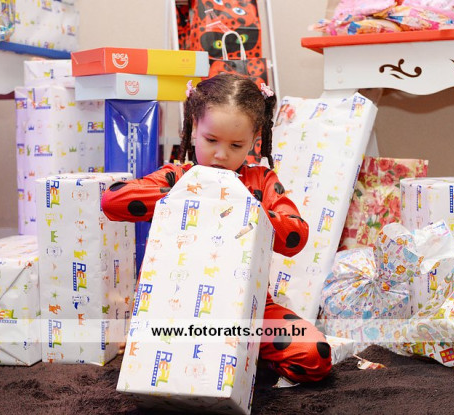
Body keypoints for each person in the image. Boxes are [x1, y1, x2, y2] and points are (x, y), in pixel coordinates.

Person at [101, 73, 332, 383]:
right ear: (193, 127)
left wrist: (243, 207)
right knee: (159, 367)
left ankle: (247, 361)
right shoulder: (177, 176)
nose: (221, 155)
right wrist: (193, 195)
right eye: (211, 140)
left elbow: (295, 236)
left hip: (250, 311)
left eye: (236, 145)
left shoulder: (261, 181)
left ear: (254, 139)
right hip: (174, 308)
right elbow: (113, 200)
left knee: (314, 353)